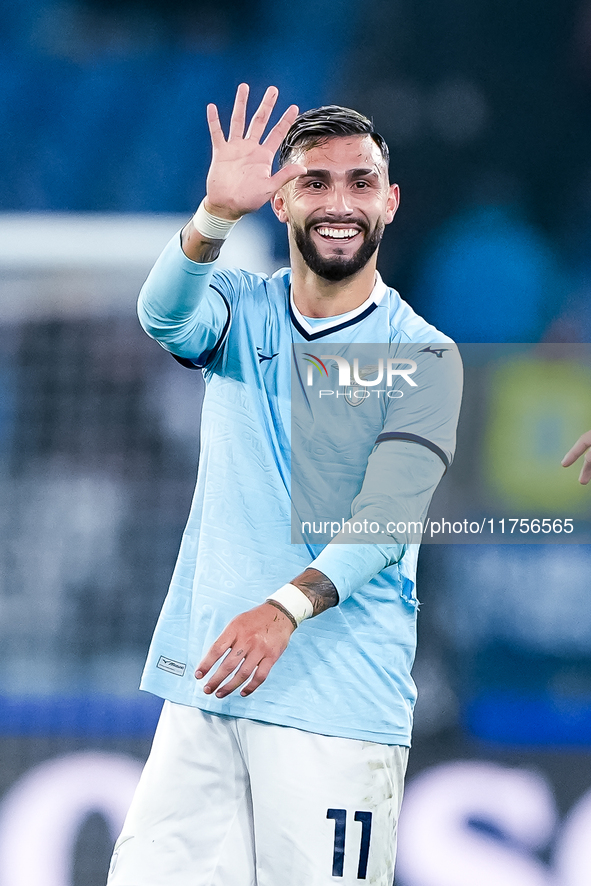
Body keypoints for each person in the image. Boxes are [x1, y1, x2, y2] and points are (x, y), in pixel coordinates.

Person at [107, 83, 462, 886]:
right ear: (281, 200)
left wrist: (281, 609)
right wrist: (212, 217)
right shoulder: (241, 307)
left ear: (390, 202)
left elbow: (386, 518)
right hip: (209, 690)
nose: (340, 202)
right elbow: (163, 318)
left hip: (332, 706)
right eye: (315, 181)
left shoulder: (421, 354)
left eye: (360, 182)